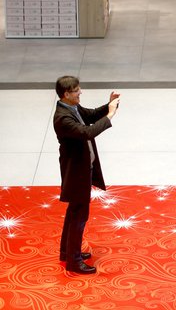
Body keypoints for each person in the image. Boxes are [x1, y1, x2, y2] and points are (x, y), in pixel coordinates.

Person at [53, 76, 120, 274]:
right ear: (66, 94)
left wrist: (110, 104)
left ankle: (67, 252)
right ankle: (73, 261)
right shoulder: (63, 117)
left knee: (74, 212)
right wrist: (109, 116)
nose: (80, 92)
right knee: (79, 215)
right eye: (76, 90)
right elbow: (86, 132)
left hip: (81, 169)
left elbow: (90, 115)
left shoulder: (71, 108)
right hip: (76, 172)